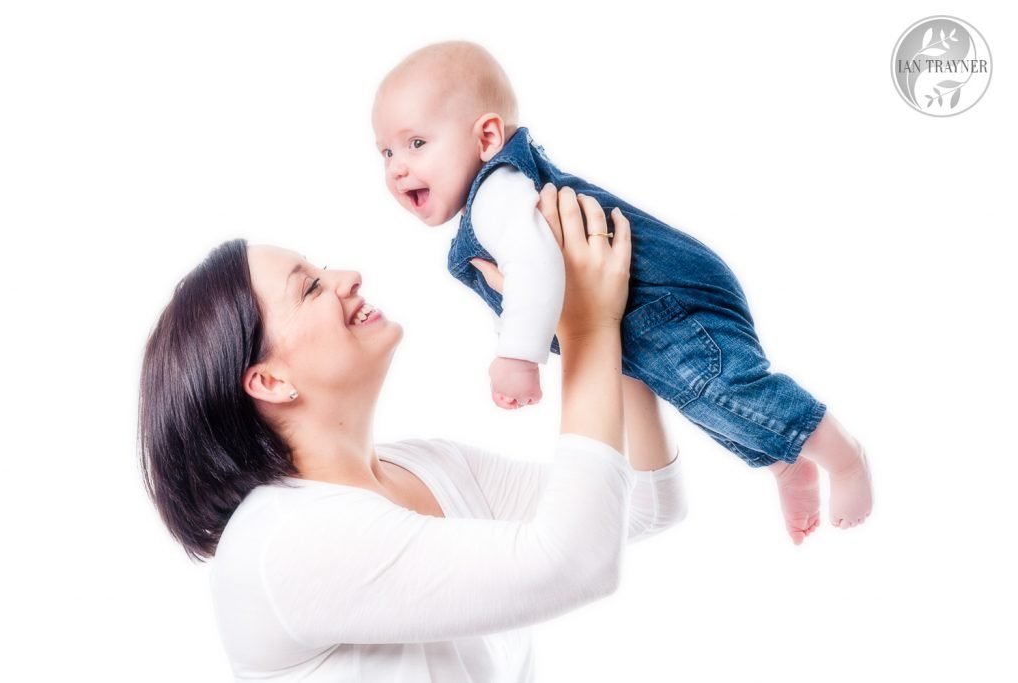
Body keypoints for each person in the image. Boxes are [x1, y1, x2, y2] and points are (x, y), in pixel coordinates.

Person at [138, 187, 687, 681]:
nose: (348, 276)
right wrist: (589, 325)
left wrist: (616, 322)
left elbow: (642, 506)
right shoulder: (282, 540)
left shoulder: (432, 466)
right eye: (310, 287)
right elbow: (575, 562)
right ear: (269, 380)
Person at [371, 40, 873, 544]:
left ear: (486, 136)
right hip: (649, 312)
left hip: (665, 299)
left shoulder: (495, 192)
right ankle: (786, 465)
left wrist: (518, 354)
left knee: (718, 386)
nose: (397, 167)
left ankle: (845, 458)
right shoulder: (497, 197)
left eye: (416, 144)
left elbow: (535, 267)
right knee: (696, 395)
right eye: (386, 151)